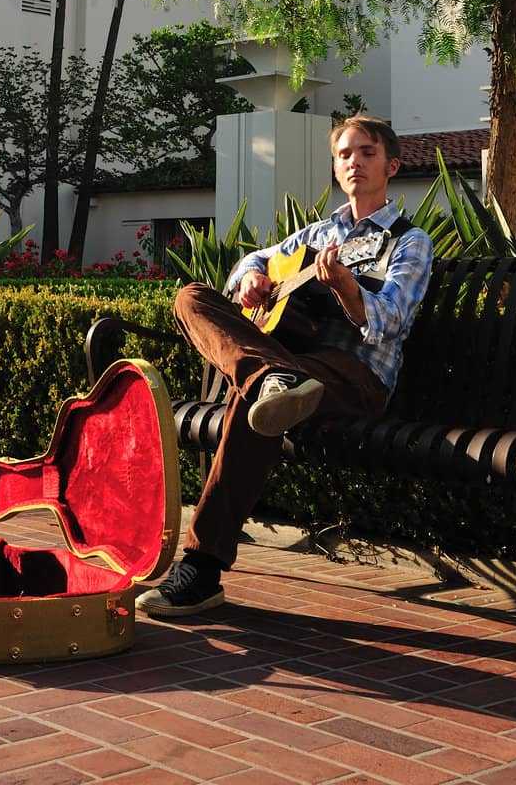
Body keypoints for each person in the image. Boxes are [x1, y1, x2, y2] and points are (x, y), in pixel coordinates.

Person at [137, 114, 433, 618]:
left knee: (256, 398)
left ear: (391, 166)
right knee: (191, 296)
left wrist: (345, 285)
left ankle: (202, 568)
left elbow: (391, 321)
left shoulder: (408, 242)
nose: (354, 162)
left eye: (366, 152)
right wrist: (251, 278)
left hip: (356, 374)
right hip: (295, 368)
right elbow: (254, 260)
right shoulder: (320, 233)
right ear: (336, 169)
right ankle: (270, 377)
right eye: (345, 154)